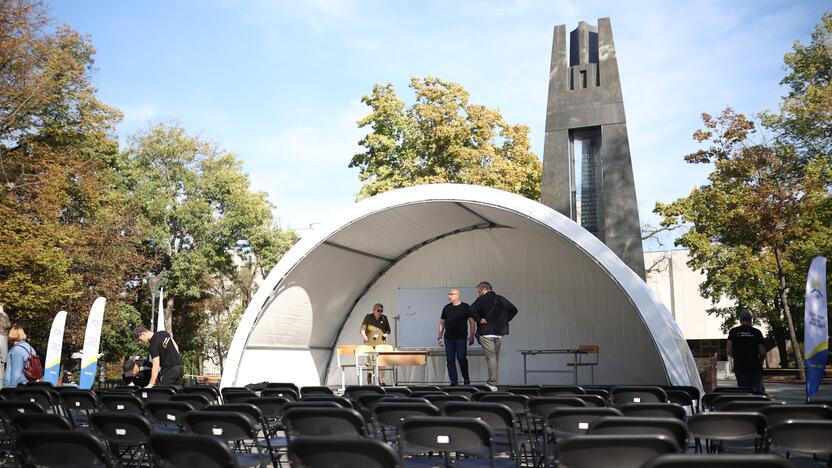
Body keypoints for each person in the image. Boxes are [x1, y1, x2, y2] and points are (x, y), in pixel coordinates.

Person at [470, 281, 517, 390]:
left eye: (479, 291)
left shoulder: (481, 299)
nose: (479, 294)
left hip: (486, 333)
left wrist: (478, 319)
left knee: (491, 359)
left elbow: (471, 309)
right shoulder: (501, 299)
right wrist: (505, 319)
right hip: (499, 333)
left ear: (484, 289)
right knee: (495, 358)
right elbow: (514, 310)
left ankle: (492, 383)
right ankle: (492, 381)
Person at [437, 288, 476, 386]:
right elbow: (442, 322)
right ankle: (454, 382)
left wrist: (472, 335)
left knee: (461, 358)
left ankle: (466, 378)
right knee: (450, 360)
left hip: (461, 338)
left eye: (452, 294)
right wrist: (439, 336)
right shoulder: (446, 308)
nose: (449, 296)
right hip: (448, 338)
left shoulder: (466, 307)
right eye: (449, 294)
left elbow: (472, 322)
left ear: (458, 295)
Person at [726, 310, 767, 394]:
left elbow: (728, 350)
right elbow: (762, 352)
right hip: (755, 367)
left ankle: (746, 405)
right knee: (757, 392)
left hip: (740, 367)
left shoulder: (733, 332)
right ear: (751, 320)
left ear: (740, 320)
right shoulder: (757, 332)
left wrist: (736, 357)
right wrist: (761, 360)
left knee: (744, 392)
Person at [360, 303, 391, 385]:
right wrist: (364, 337)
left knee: (382, 362)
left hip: (381, 344)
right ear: (374, 310)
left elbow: (388, 330)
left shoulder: (384, 318)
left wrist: (386, 334)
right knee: (370, 362)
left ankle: (381, 380)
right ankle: (369, 380)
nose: (380, 312)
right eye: (378, 310)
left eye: (381, 310)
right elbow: (362, 329)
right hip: (369, 344)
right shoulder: (368, 317)